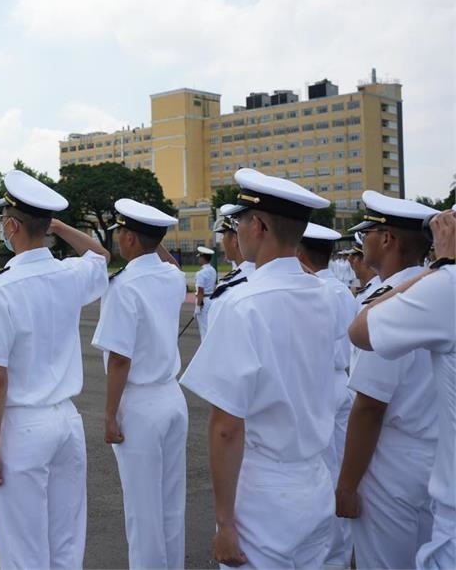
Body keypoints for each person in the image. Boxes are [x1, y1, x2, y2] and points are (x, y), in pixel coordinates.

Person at [179, 167, 344, 568]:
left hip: (265, 492)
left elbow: (225, 426)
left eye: (238, 223)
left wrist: (224, 523)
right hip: (317, 482)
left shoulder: (243, 305)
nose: (236, 232)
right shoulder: (330, 297)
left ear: (259, 226)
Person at [0, 169, 110, 569]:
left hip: (23, 428)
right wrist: (56, 226)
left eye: (4, 222)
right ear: (45, 226)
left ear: (11, 226)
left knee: (24, 553)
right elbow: (100, 256)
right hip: (66, 423)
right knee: (65, 546)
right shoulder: (66, 274)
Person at [347, 208, 455, 570]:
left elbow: (369, 406)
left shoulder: (419, 293)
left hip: (394, 460)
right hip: (438, 454)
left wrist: (346, 486)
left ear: (387, 240)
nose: (363, 244)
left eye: (368, 235)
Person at [91, 198, 186, 569]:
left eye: (120, 233)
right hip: (171, 397)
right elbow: (171, 264)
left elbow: (119, 359)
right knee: (170, 504)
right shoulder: (172, 277)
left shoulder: (124, 285)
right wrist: (152, 237)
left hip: (140, 403)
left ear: (129, 238)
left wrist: (110, 415)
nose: (117, 239)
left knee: (143, 511)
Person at [296, 222, 360, 569]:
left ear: (300, 253)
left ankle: (329, 554)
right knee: (336, 470)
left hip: (320, 385)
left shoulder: (314, 290)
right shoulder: (342, 290)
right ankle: (339, 552)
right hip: (342, 381)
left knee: (323, 473)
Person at [205, 206, 255, 331]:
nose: (222, 241)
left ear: (234, 240)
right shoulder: (262, 272)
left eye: (223, 236)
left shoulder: (229, 289)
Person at [193, 246, 217, 339]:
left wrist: (198, 306)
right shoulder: (213, 270)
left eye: (199, 257)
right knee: (210, 327)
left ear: (203, 258)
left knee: (204, 329)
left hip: (203, 302)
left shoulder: (201, 273)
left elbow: (200, 291)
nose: (199, 259)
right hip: (211, 299)